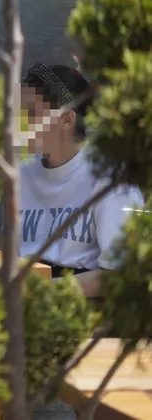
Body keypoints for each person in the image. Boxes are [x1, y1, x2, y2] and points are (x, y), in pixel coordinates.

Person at [19, 62, 144, 298]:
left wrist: (42, 293)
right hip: (21, 299)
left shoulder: (110, 178)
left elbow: (119, 275)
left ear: (66, 119)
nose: (21, 123)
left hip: (81, 306)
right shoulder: (20, 173)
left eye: (32, 113)